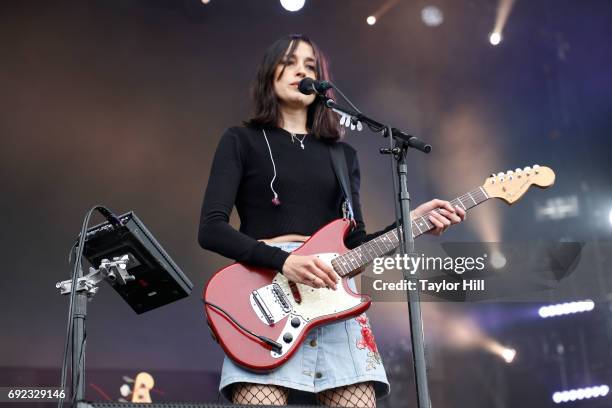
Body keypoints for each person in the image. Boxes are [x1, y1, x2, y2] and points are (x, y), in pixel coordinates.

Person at [198, 34, 465, 407]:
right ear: (268, 74)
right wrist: (285, 261)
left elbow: (355, 244)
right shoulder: (241, 141)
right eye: (290, 62)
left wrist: (411, 221)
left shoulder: (342, 156)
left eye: (310, 67)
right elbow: (211, 229)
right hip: (266, 298)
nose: (301, 72)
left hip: (335, 299)